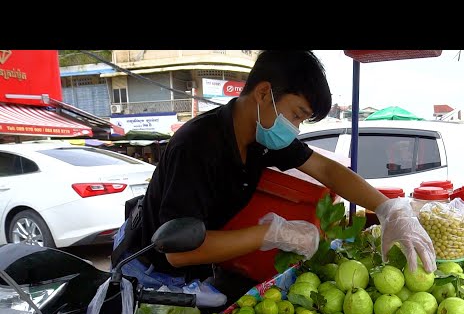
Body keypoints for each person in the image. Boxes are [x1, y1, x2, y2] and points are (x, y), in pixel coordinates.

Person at [111, 50, 436, 297]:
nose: (294, 128)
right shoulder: (197, 146)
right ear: (264, 93)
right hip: (151, 278)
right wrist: (269, 234)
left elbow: (325, 168)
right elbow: (179, 254)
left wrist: (388, 208)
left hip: (200, 274)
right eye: (296, 114)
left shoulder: (260, 135)